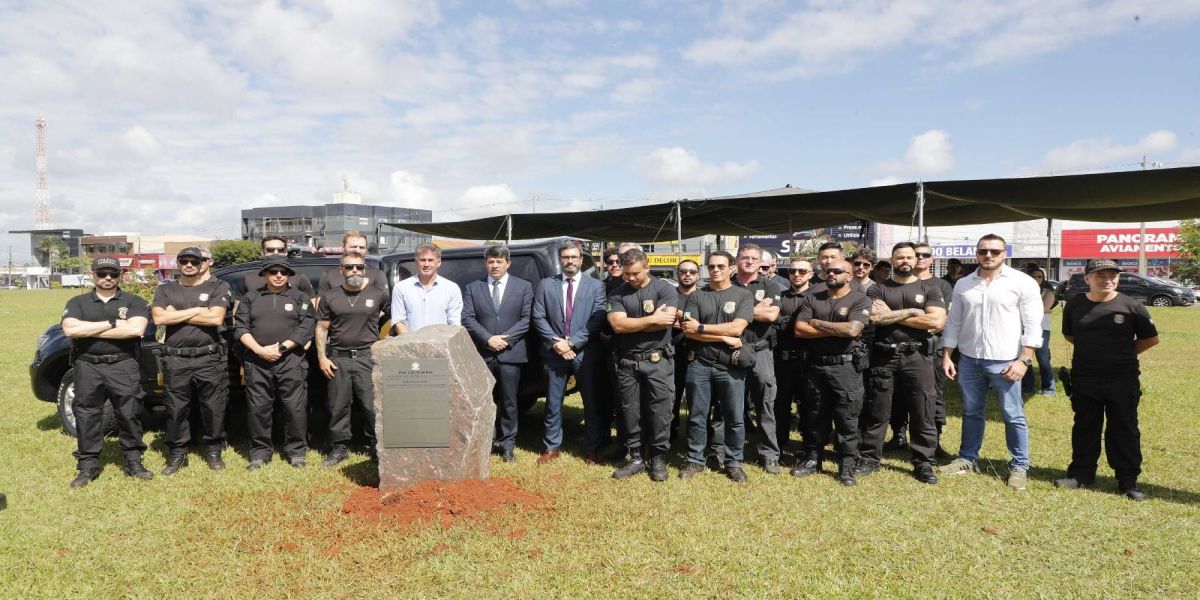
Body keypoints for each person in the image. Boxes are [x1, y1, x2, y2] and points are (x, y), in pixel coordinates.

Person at [940, 234, 1043, 490]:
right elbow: (954, 322)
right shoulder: (964, 284)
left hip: (1006, 361)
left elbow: (1033, 325)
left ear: (1004, 253)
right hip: (970, 360)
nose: (988, 255)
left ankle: (1019, 466)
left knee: (1012, 414)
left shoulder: (1023, 282)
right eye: (983, 251)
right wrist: (947, 355)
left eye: (994, 251)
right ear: (976, 253)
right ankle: (967, 458)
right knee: (972, 411)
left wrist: (1024, 360)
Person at [1056, 259, 1159, 501]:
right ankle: (1081, 475)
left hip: (1122, 378)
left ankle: (1128, 481)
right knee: (1085, 427)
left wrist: (1121, 354)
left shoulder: (1132, 306)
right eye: (1101, 275)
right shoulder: (1075, 305)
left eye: (1113, 275)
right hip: (1084, 377)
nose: (1108, 279)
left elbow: (1150, 339)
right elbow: (1071, 335)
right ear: (1088, 278)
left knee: (1124, 429)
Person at [857, 243, 946, 484]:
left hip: (918, 357)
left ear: (916, 258)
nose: (905, 261)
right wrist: (913, 312)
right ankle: (869, 458)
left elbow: (937, 322)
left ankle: (923, 461)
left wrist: (894, 315)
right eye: (899, 257)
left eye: (909, 257)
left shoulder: (930, 288)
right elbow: (875, 318)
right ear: (892, 260)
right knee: (877, 409)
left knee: (922, 409)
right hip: (884, 356)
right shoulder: (878, 288)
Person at [61, 257, 153, 488]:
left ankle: (133, 460)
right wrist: (112, 323)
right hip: (87, 365)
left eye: (112, 273)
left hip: (123, 364)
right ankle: (88, 465)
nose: (108, 278)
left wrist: (89, 329)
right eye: (102, 274)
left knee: (129, 412)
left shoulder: (134, 301)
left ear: (119, 275)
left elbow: (135, 330)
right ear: (92, 275)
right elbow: (70, 329)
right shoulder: (77, 301)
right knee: (86, 414)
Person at [151, 246, 233, 474]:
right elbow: (159, 317)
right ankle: (177, 453)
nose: (189, 265)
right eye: (184, 261)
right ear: (177, 264)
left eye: (193, 261)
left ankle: (213, 450)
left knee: (213, 407)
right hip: (175, 359)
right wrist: (198, 309)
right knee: (176, 409)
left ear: (202, 264)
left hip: (208, 357)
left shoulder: (217, 286)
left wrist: (175, 313)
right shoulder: (166, 289)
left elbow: (216, 317)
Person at [791, 259, 872, 486]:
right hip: (815, 366)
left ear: (849, 276)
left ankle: (847, 465)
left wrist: (816, 322)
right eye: (828, 271)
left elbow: (853, 329)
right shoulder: (812, 298)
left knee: (847, 417)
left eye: (838, 271)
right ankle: (812, 459)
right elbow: (799, 329)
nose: (831, 274)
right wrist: (837, 330)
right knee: (815, 414)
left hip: (846, 368)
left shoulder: (860, 299)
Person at [677, 251, 754, 483]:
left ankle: (733, 462)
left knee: (734, 417)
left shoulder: (743, 295)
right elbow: (688, 331)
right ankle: (695, 460)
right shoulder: (697, 296)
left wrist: (702, 328)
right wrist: (722, 336)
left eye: (721, 266)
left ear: (731, 268)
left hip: (730, 366)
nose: (715, 270)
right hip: (699, 364)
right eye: (711, 266)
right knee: (697, 416)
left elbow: (737, 329)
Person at [234, 257, 316, 469]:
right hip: (257, 360)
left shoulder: (300, 297)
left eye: (283, 272)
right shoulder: (250, 298)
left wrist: (281, 348)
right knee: (258, 408)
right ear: (264, 275)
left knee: (294, 407)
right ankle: (260, 453)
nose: (278, 275)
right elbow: (241, 328)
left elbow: (306, 327)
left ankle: (296, 451)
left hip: (291, 360)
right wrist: (260, 350)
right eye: (273, 271)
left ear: (288, 275)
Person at [531, 240, 607, 464]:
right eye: (565, 257)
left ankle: (591, 448)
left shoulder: (595, 286)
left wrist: (572, 343)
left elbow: (598, 318)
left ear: (581, 260)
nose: (570, 261)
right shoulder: (546, 285)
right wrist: (556, 344)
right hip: (554, 353)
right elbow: (538, 317)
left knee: (590, 402)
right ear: (560, 260)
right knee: (553, 403)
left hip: (585, 353)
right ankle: (551, 447)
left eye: (574, 257)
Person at [607, 248, 679, 481]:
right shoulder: (617, 294)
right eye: (627, 274)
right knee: (630, 411)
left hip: (658, 360)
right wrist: (651, 319)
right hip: (628, 362)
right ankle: (636, 457)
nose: (630, 278)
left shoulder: (664, 289)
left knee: (660, 410)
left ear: (647, 267)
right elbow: (618, 326)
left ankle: (658, 458)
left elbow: (666, 321)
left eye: (635, 273)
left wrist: (634, 323)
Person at [460, 245, 534, 463]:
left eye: (499, 261)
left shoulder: (524, 287)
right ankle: (486, 440)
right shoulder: (474, 287)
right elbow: (468, 318)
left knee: (510, 401)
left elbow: (527, 319)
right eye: (491, 261)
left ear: (508, 264)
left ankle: (508, 444)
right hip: (483, 354)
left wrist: (505, 339)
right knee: (484, 400)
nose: (495, 265)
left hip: (511, 354)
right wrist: (487, 338)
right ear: (486, 263)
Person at [315, 254, 389, 467]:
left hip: (368, 358)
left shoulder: (378, 295)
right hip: (339, 358)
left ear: (364, 269)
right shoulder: (330, 296)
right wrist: (322, 357)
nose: (354, 270)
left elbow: (387, 319)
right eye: (349, 267)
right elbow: (321, 327)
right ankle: (340, 447)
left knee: (372, 405)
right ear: (342, 270)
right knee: (338, 405)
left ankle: (377, 446)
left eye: (359, 267)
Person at [731, 243, 783, 473]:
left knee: (765, 403)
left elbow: (770, 314)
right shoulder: (725, 284)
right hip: (730, 349)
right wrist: (754, 309)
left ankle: (769, 454)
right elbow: (715, 312)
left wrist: (735, 311)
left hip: (760, 350)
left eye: (754, 258)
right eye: (745, 258)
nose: (749, 261)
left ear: (761, 262)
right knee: (728, 403)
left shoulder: (771, 286)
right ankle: (726, 450)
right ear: (737, 260)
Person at [774, 257, 814, 456]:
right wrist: (798, 322)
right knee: (780, 404)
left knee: (809, 405)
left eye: (802, 271)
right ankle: (779, 445)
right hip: (783, 360)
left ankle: (808, 448)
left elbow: (815, 323)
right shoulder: (780, 296)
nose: (796, 274)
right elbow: (773, 321)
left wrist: (786, 322)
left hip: (809, 360)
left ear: (811, 274)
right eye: (792, 271)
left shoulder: (818, 296)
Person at [390, 243, 462, 335]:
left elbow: (454, 324)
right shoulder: (401, 288)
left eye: (430, 260)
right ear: (416, 262)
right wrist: (412, 344)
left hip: (441, 346)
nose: (426, 264)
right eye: (422, 260)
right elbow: (398, 322)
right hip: (410, 346)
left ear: (439, 262)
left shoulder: (452, 289)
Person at [670, 259, 701, 442]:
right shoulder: (669, 294)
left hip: (698, 351)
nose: (687, 274)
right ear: (677, 274)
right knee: (672, 394)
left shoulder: (705, 294)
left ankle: (696, 433)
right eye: (683, 271)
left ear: (698, 275)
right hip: (673, 351)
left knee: (698, 397)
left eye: (691, 271)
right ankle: (671, 430)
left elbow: (706, 320)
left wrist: (679, 317)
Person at [1021, 267, 1058, 397]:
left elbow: (1043, 309)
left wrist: (1024, 309)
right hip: (1024, 328)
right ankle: (1027, 387)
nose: (1036, 279)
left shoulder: (1048, 292)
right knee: (1025, 358)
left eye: (1039, 277)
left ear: (1043, 279)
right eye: (1033, 276)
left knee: (1043, 359)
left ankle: (1049, 388)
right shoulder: (1023, 291)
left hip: (1042, 329)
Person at [317, 231, 389, 296]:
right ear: (342, 247)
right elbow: (321, 306)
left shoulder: (377, 275)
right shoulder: (329, 276)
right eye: (353, 247)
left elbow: (383, 304)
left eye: (362, 247)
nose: (358, 250)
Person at [241, 236, 315, 297]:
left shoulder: (299, 277)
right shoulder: (248, 278)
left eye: (280, 250)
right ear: (262, 253)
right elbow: (238, 310)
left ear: (286, 252)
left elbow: (311, 306)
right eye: (270, 250)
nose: (276, 253)